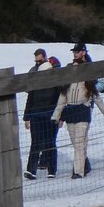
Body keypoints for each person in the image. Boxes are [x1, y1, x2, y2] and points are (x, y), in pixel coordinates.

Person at [52, 56, 104, 179]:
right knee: (77, 143)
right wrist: (55, 117)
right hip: (70, 115)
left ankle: (78, 171)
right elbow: (61, 102)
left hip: (83, 113)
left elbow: (98, 100)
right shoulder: (67, 84)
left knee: (79, 143)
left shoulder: (88, 83)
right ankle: (85, 165)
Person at [23, 48, 63, 179]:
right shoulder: (36, 80)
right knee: (37, 143)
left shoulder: (55, 81)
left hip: (49, 115)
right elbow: (30, 99)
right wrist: (27, 117)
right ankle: (32, 170)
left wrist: (60, 116)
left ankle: (51, 169)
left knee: (49, 142)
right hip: (37, 115)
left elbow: (60, 100)